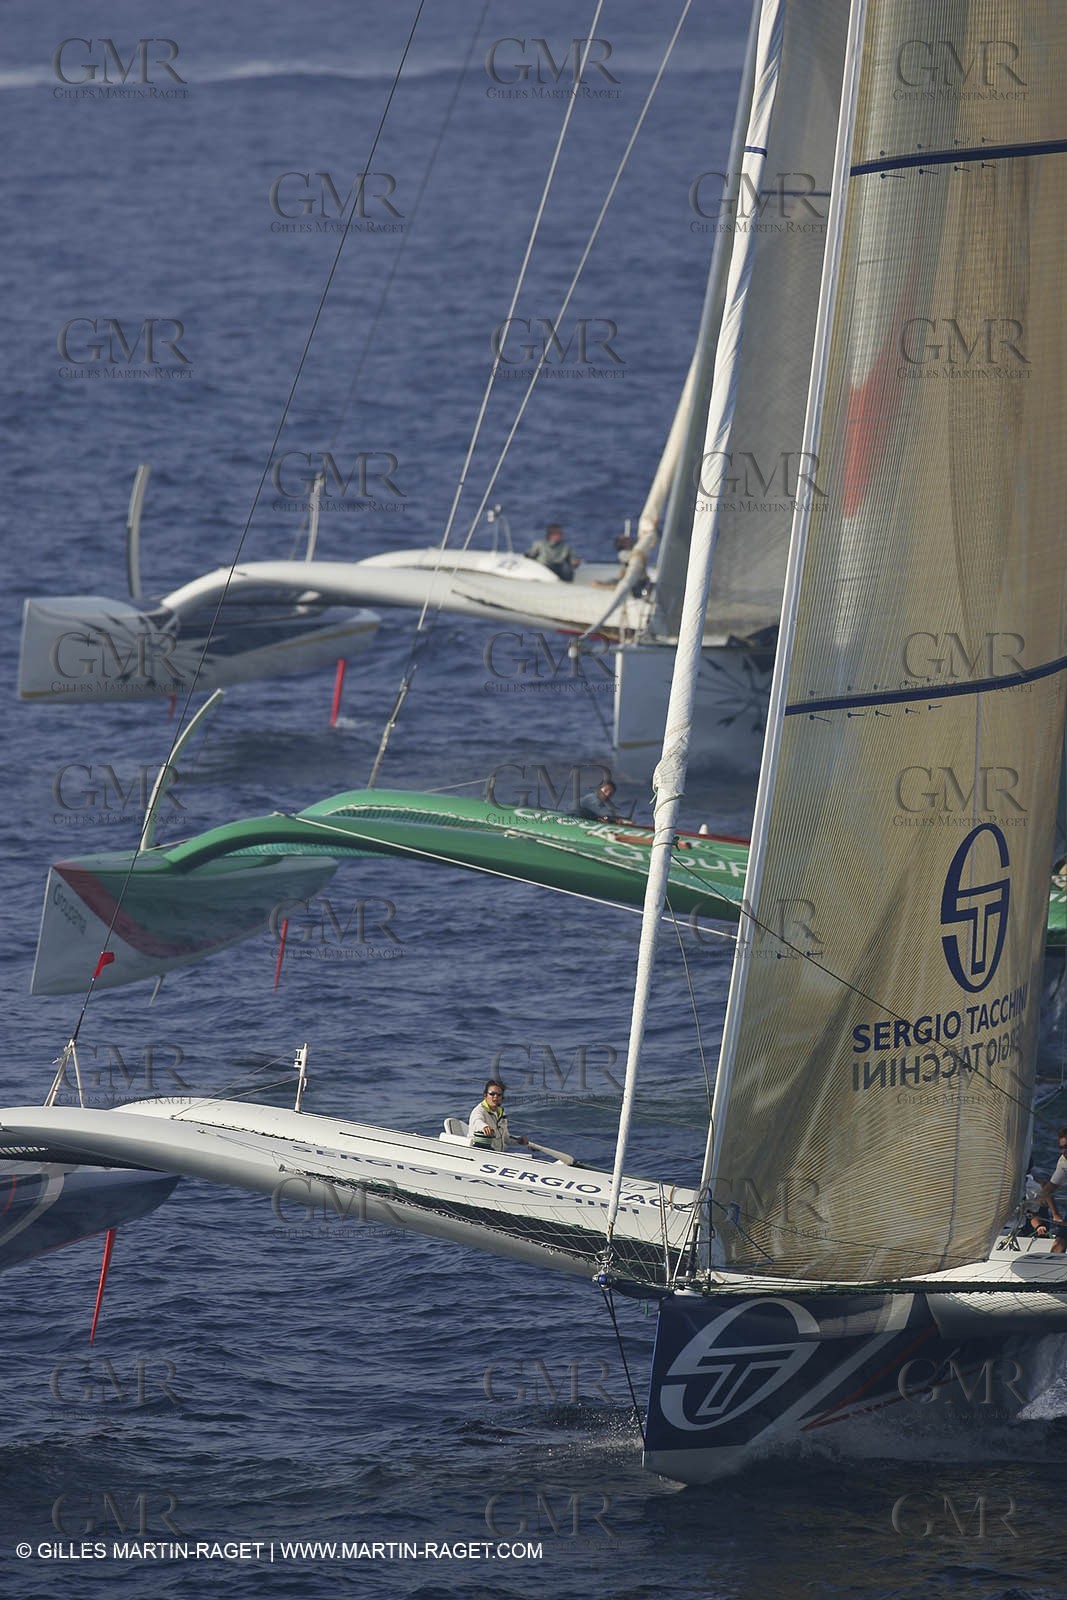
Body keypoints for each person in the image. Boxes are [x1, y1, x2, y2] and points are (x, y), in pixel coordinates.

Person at [468, 1079, 529, 1152]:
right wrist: (484, 1127)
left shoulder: (501, 1113)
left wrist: (519, 1141)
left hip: (497, 1154)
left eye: (499, 1094)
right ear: (485, 1095)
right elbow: (477, 1121)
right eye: (492, 1094)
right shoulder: (479, 1111)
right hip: (479, 1153)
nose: (495, 1096)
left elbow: (506, 1139)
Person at [1036, 1127, 1067, 1253]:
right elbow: (1048, 1189)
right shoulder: (1064, 1163)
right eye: (1061, 1147)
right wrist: (1055, 1214)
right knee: (1058, 1245)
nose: (1064, 1151)